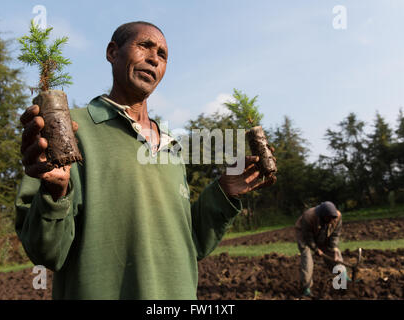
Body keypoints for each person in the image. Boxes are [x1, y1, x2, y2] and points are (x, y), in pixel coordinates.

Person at [15, 21, 275, 299]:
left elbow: (190, 245)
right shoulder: (68, 131)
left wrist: (223, 192)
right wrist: (56, 194)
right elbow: (47, 253)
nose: (154, 58)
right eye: (144, 46)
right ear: (112, 52)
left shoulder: (170, 147)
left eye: (162, 55)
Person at [295, 201, 346, 297]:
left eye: (333, 219)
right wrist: (316, 249)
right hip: (305, 235)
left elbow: (335, 235)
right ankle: (306, 287)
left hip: (322, 231)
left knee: (335, 253)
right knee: (307, 258)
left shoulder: (337, 217)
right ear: (323, 216)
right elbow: (308, 237)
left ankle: (343, 278)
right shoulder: (309, 217)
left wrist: (334, 248)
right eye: (329, 218)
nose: (332, 221)